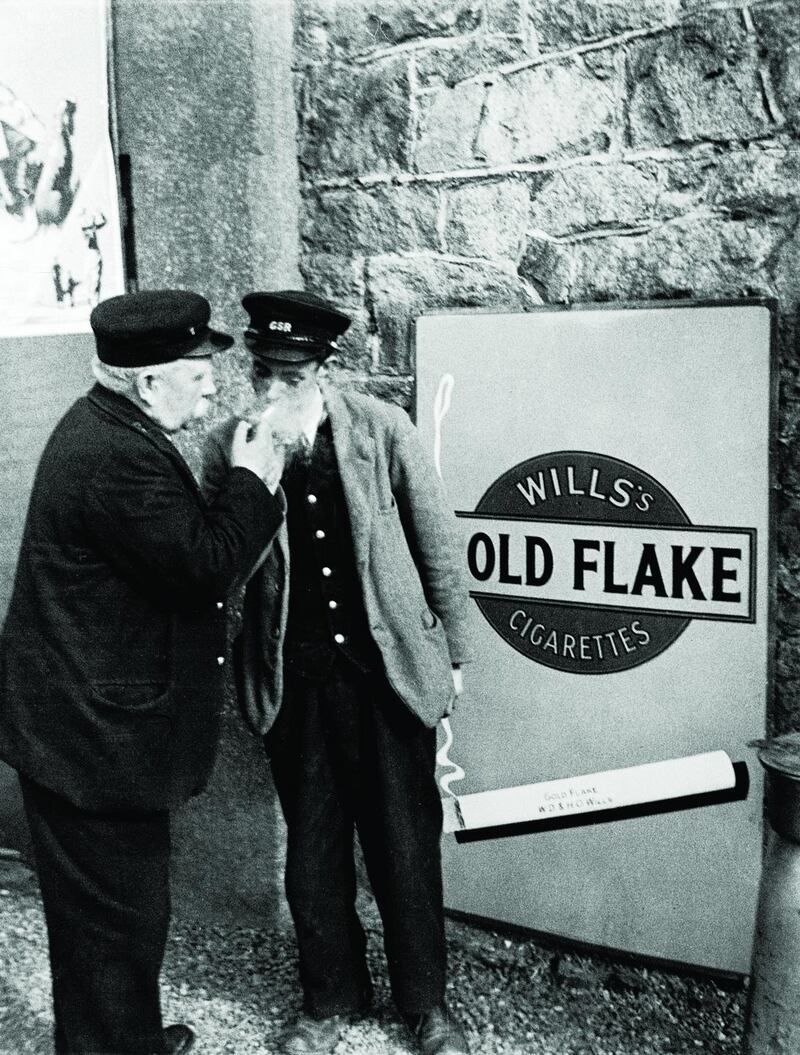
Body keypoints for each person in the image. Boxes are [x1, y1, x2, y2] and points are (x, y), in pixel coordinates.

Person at [0, 289, 285, 1055]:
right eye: (199, 370)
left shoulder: (114, 427)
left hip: (90, 730)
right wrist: (253, 476)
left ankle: (122, 1037)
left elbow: (181, 544)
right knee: (109, 921)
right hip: (89, 741)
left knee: (124, 914)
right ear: (149, 382)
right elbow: (202, 566)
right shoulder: (115, 457)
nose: (213, 384)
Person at [203, 290, 471, 1055]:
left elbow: (436, 545)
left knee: (405, 847)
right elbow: (223, 567)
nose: (271, 390)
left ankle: (426, 1005)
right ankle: (329, 998)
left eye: (289, 376)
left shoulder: (381, 430)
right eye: (262, 373)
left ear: (324, 371)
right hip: (298, 688)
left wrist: (453, 653)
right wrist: (254, 474)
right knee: (314, 853)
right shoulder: (234, 445)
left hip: (387, 677)